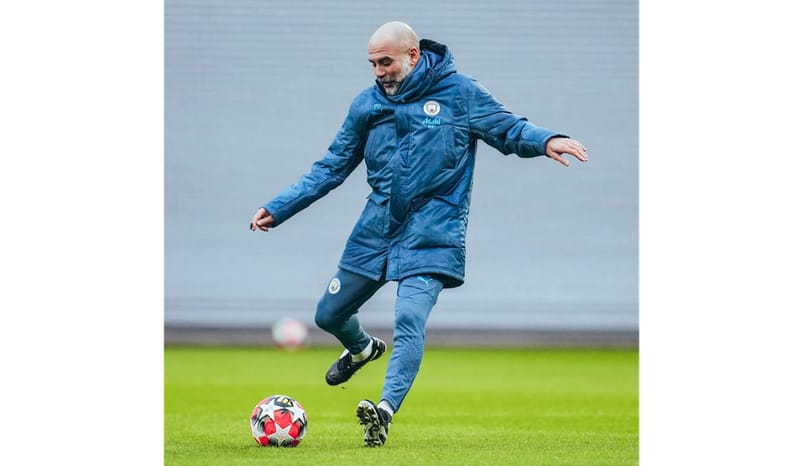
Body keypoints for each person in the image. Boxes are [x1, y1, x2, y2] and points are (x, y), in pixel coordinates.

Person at [250, 21, 587, 447]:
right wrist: (279, 207)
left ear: (413, 55)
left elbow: (509, 129)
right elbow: (330, 168)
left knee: (408, 318)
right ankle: (362, 349)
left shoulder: (459, 93)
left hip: (434, 231)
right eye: (373, 64)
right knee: (328, 315)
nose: (379, 72)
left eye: (385, 62)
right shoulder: (366, 105)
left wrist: (547, 140)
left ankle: (383, 412)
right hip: (376, 229)